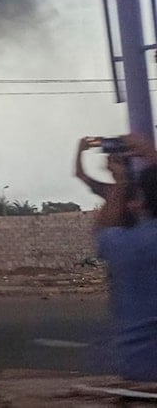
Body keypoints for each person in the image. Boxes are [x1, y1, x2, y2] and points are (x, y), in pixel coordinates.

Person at [90, 134, 157, 381]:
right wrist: (151, 155)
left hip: (138, 368)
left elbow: (101, 233)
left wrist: (119, 181)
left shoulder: (123, 244)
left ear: (140, 203)